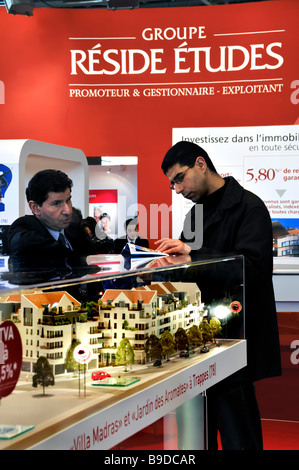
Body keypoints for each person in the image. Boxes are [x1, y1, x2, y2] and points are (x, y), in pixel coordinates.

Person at [155, 141, 281, 450]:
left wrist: (193, 257)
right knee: (200, 434)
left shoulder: (250, 207)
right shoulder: (194, 217)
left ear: (200, 164)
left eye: (179, 178)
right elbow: (193, 268)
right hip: (202, 339)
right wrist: (169, 267)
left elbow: (253, 268)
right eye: (171, 183)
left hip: (234, 336)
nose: (176, 189)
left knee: (239, 431)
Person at [7, 169, 94, 263]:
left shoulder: (75, 231)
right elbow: (23, 244)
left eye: (68, 200)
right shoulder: (25, 230)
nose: (68, 211)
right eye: (56, 204)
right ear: (35, 208)